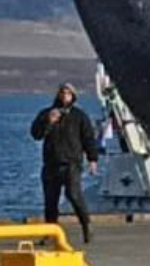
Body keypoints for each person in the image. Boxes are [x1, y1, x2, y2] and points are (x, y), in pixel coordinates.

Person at [30, 82, 99, 243]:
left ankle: (86, 225)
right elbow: (36, 134)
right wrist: (49, 121)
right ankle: (50, 232)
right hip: (51, 163)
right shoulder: (47, 113)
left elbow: (88, 138)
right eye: (62, 92)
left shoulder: (79, 116)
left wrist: (92, 159)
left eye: (68, 93)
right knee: (50, 201)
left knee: (73, 194)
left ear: (73, 96)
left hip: (71, 163)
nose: (64, 96)